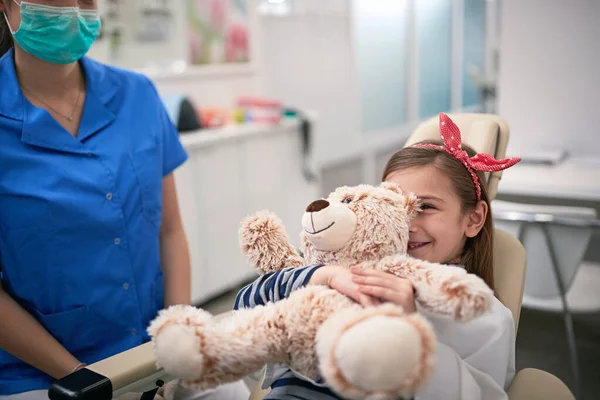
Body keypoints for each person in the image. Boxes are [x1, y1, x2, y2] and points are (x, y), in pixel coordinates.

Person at [0, 1, 249, 399]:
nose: (78, 12)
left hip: (153, 348)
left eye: (88, 2)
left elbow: (169, 230)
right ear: (8, 6)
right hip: (41, 373)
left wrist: (177, 333)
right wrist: (88, 380)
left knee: (233, 392)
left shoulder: (137, 94)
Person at [235, 113, 521, 399]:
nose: (407, 224)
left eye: (426, 207)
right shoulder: (346, 270)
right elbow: (249, 310)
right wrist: (322, 276)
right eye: (397, 206)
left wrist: (411, 331)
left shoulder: (487, 319)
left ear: (473, 218)